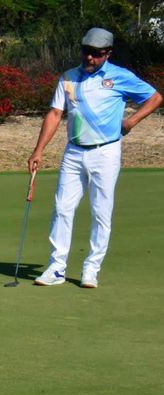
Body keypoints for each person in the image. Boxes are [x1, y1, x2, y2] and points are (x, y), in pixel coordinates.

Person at [28, 27, 162, 288]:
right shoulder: (68, 78)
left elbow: (155, 97)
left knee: (101, 211)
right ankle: (56, 268)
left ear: (107, 54)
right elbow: (55, 114)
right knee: (63, 208)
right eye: (86, 52)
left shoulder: (120, 77)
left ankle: (91, 268)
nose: (90, 58)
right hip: (74, 151)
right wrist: (39, 150)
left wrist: (132, 120)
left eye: (97, 54)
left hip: (106, 151)